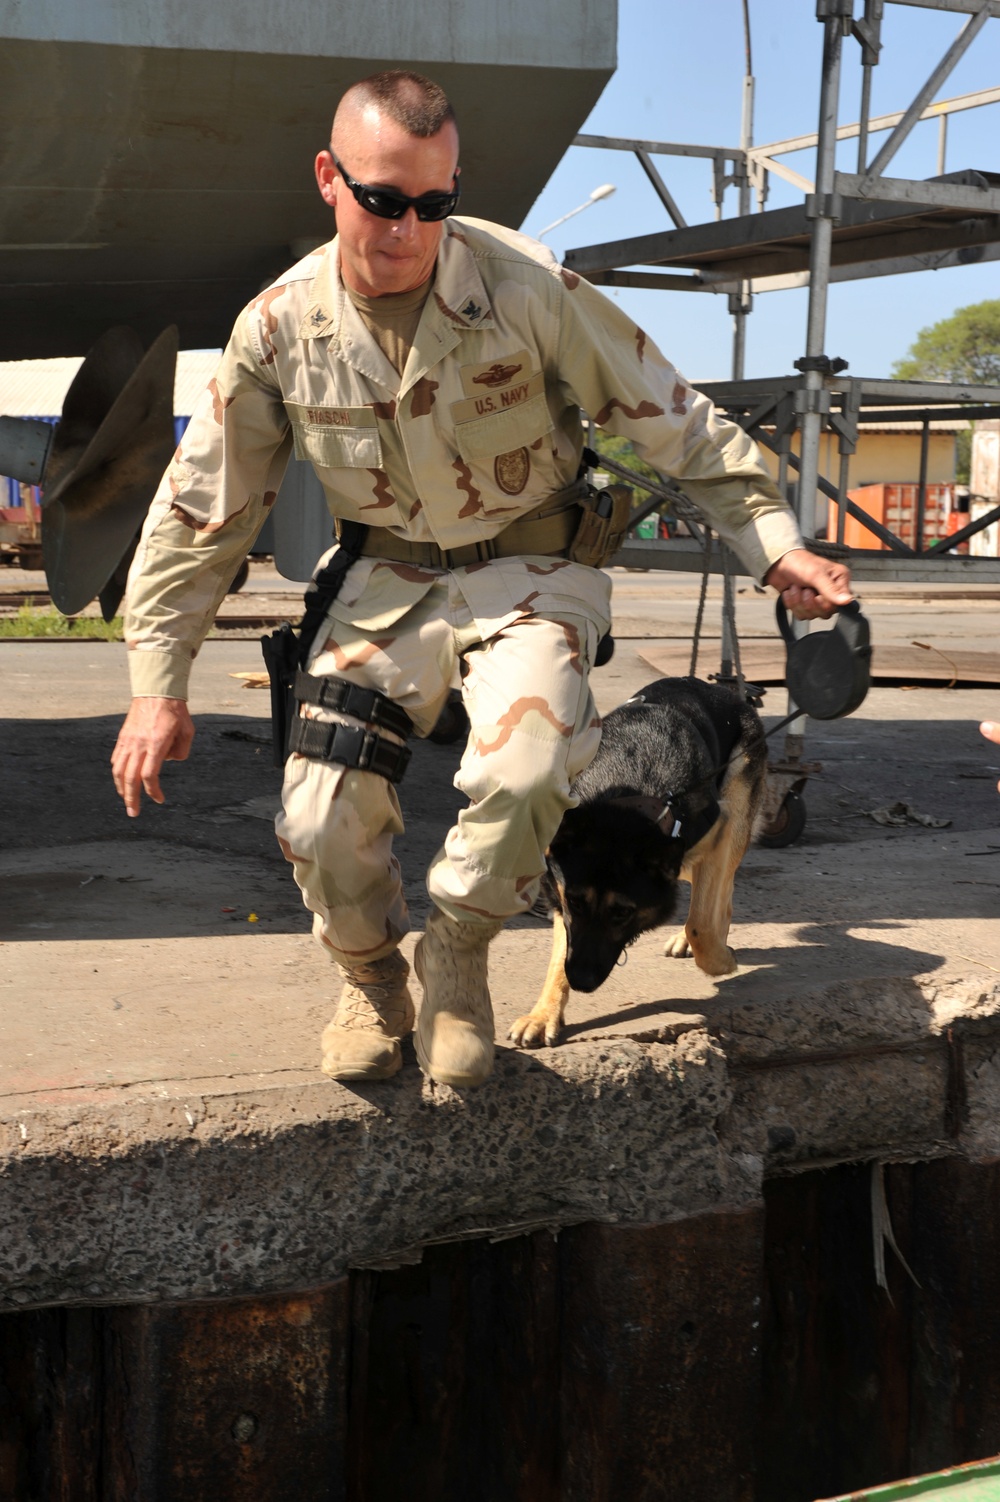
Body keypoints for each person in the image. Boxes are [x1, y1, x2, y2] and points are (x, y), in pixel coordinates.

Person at [111, 70, 853, 1089]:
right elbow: (203, 510)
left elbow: (669, 416)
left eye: (433, 203)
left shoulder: (524, 286)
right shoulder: (279, 328)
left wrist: (773, 541)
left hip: (532, 571)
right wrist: (158, 682)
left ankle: (457, 952)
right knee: (319, 815)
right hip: (381, 579)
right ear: (329, 179)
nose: (408, 228)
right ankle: (372, 980)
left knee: (531, 768)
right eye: (382, 199)